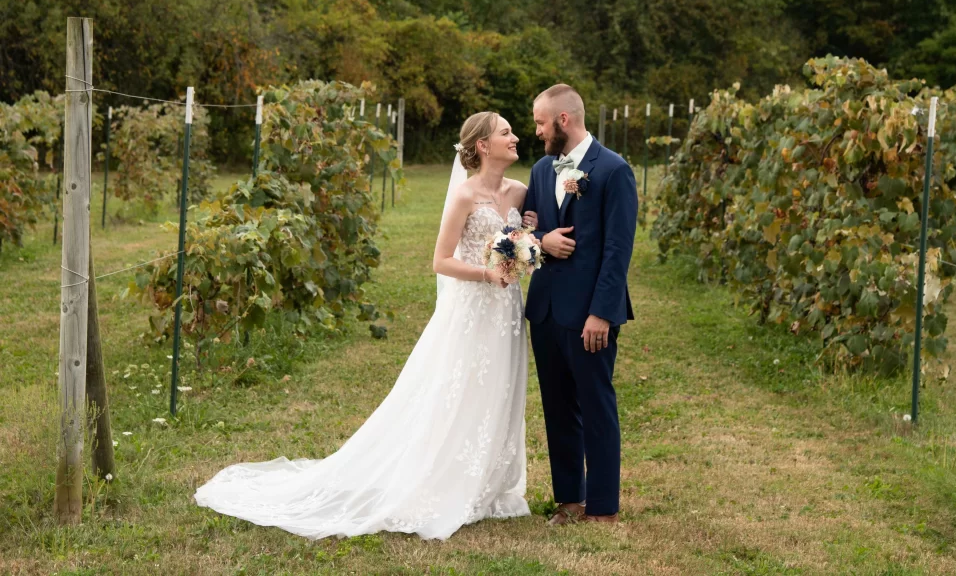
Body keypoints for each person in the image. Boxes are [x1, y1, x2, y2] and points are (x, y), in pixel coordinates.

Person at [194, 112, 531, 540]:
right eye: (506, 133)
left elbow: (529, 234)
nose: (515, 137)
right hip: (473, 308)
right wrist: (488, 274)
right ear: (483, 145)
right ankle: (444, 482)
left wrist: (526, 249)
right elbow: (440, 260)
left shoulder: (520, 191)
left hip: (507, 313)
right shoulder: (464, 196)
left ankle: (488, 486)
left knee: (500, 388)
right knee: (456, 389)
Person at [521, 84, 638, 525]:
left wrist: (602, 313)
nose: (536, 131)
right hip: (546, 310)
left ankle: (603, 507)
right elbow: (526, 231)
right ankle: (569, 499)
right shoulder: (539, 169)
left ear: (563, 120)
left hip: (590, 313)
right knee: (557, 406)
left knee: (596, 405)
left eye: (539, 122)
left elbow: (617, 251)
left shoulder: (613, 171)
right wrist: (542, 242)